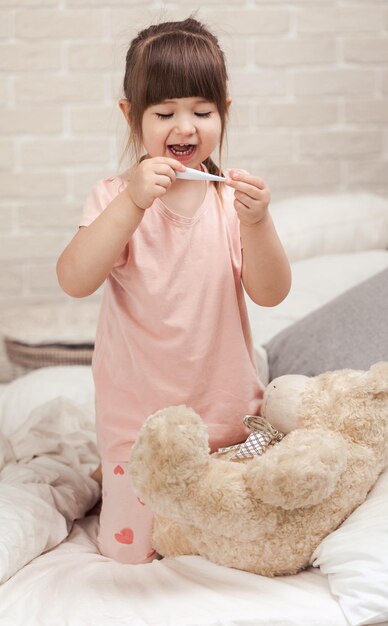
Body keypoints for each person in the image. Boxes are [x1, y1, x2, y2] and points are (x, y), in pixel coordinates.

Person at [56, 17, 291, 564]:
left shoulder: (230, 201)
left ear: (224, 112)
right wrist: (132, 203)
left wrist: (258, 225)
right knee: (133, 556)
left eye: (201, 112)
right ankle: (107, 478)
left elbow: (271, 293)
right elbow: (74, 279)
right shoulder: (117, 197)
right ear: (130, 116)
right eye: (164, 113)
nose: (184, 126)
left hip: (225, 423)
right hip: (138, 431)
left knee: (230, 545)